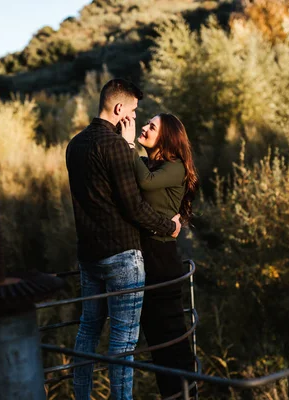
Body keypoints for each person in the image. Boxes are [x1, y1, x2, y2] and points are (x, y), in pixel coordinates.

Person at [65, 79, 182, 400]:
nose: (133, 117)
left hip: (88, 256)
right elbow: (133, 206)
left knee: (88, 329)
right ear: (119, 109)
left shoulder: (74, 144)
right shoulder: (116, 146)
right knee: (123, 340)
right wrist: (167, 227)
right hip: (121, 255)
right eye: (132, 111)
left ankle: (81, 396)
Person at [120, 112, 199, 398]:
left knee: (170, 333)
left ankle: (185, 394)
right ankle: (171, 394)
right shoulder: (147, 163)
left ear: (166, 138)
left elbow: (145, 183)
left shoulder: (175, 167)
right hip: (146, 254)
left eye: (151, 126)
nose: (144, 127)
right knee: (155, 335)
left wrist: (128, 146)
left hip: (162, 256)